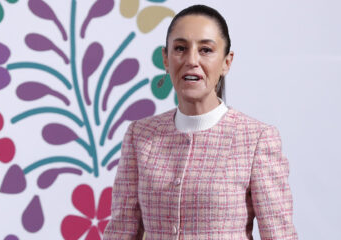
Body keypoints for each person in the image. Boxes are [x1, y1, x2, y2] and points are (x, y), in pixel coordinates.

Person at [104, 4, 298, 240]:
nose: (191, 60)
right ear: (166, 59)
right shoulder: (140, 135)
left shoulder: (256, 139)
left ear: (227, 62)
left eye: (205, 50)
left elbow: (279, 235)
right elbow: (120, 232)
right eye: (180, 48)